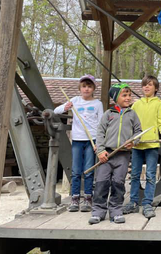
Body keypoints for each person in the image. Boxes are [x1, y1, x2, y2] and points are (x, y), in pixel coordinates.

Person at [88, 83, 142, 224]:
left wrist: (133, 142)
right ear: (115, 98)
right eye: (124, 95)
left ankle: (116, 210)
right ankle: (98, 211)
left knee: (118, 183)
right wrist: (100, 151)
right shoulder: (108, 114)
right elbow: (100, 133)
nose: (128, 98)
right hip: (106, 155)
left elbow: (138, 132)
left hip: (123, 155)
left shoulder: (132, 114)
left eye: (129, 95)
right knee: (101, 182)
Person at [54, 74, 103, 212]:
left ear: (93, 88)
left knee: (88, 170)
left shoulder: (98, 104)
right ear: (80, 88)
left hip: (91, 139)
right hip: (77, 140)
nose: (86, 89)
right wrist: (66, 107)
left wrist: (99, 142)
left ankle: (88, 198)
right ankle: (75, 198)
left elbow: (101, 124)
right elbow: (55, 111)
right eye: (84, 86)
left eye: (89, 86)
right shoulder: (74, 100)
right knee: (76, 170)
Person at [123, 75, 161, 219]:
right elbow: (130, 123)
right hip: (137, 145)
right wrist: (129, 139)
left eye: (150, 85)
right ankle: (133, 202)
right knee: (135, 175)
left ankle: (148, 203)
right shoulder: (136, 104)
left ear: (156, 88)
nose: (146, 87)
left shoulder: (158, 103)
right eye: (144, 85)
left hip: (152, 144)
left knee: (150, 175)